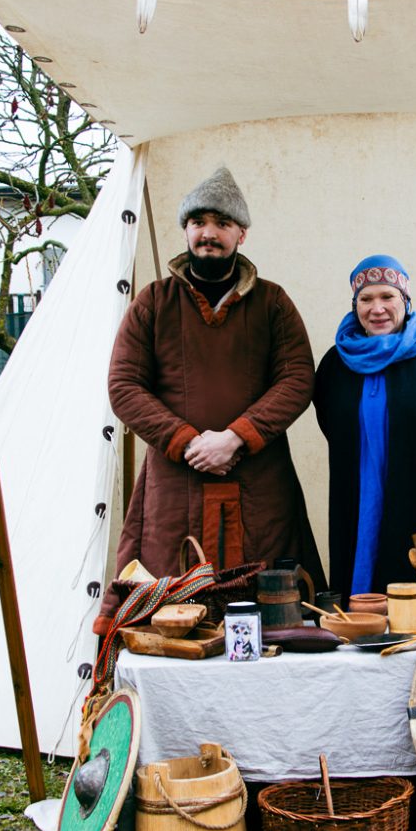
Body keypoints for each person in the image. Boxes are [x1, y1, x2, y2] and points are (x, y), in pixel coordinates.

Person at [107, 165, 322, 581]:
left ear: (242, 234)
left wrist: (235, 437)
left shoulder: (273, 303)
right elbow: (124, 386)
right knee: (173, 600)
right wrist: (189, 442)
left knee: (270, 599)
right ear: (185, 230)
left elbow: (297, 378)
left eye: (222, 223)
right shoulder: (154, 302)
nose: (209, 233)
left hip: (260, 482)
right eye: (198, 222)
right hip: (175, 483)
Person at [315, 254, 416, 598]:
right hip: (359, 489)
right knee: (367, 586)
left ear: (405, 300)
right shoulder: (336, 363)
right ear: (355, 305)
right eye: (366, 299)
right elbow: (330, 422)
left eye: (387, 296)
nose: (377, 308)